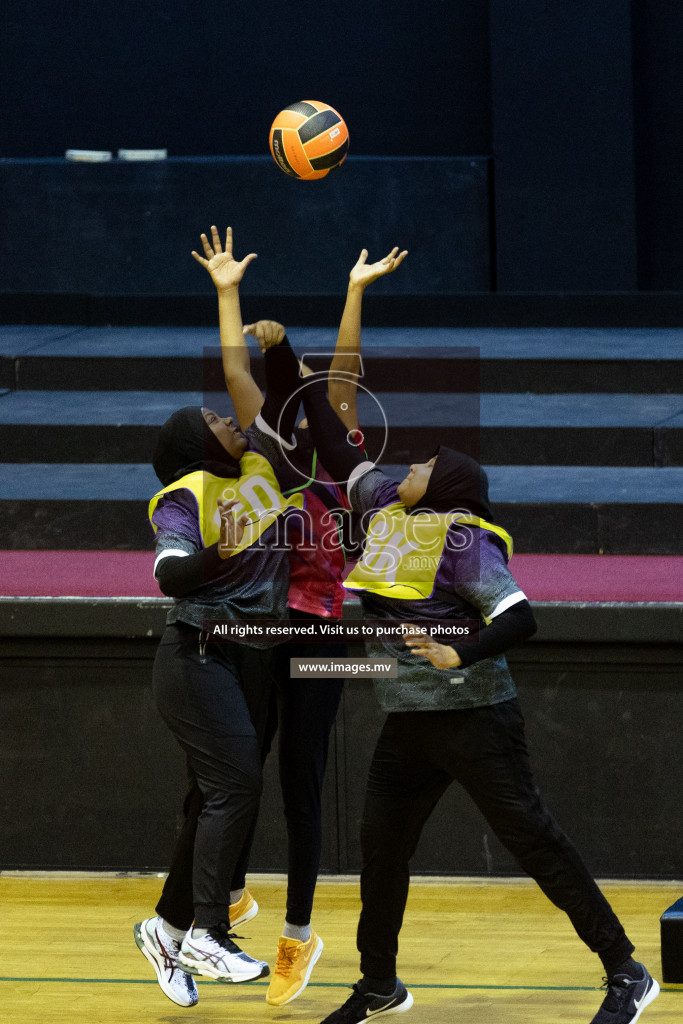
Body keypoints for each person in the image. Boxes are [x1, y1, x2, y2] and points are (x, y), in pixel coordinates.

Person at [294, 307, 659, 1024]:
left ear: (445, 487)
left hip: (474, 718)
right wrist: (302, 379)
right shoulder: (384, 514)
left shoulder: (461, 541)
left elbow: (519, 616)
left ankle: (626, 970)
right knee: (381, 853)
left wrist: (459, 650)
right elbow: (339, 453)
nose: (407, 467)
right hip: (407, 720)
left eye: (423, 466)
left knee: (534, 841)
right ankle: (379, 985)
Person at [190, 225, 408, 1006]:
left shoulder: (343, 440)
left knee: (301, 782)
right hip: (261, 625)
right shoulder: (267, 443)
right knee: (237, 764)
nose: (308, 388)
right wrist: (226, 293)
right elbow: (236, 364)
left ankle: (298, 932)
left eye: (314, 384)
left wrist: (354, 292)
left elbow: (342, 368)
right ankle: (234, 895)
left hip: (326, 628)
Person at [134, 233, 306, 1007]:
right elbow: (171, 573)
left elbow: (244, 378)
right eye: (214, 419)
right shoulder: (188, 496)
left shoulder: (266, 468)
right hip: (198, 651)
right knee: (234, 783)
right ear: (196, 447)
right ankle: (208, 930)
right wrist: (220, 549)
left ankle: (166, 932)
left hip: (252, 657)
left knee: (215, 796)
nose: (229, 419)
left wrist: (228, 293)